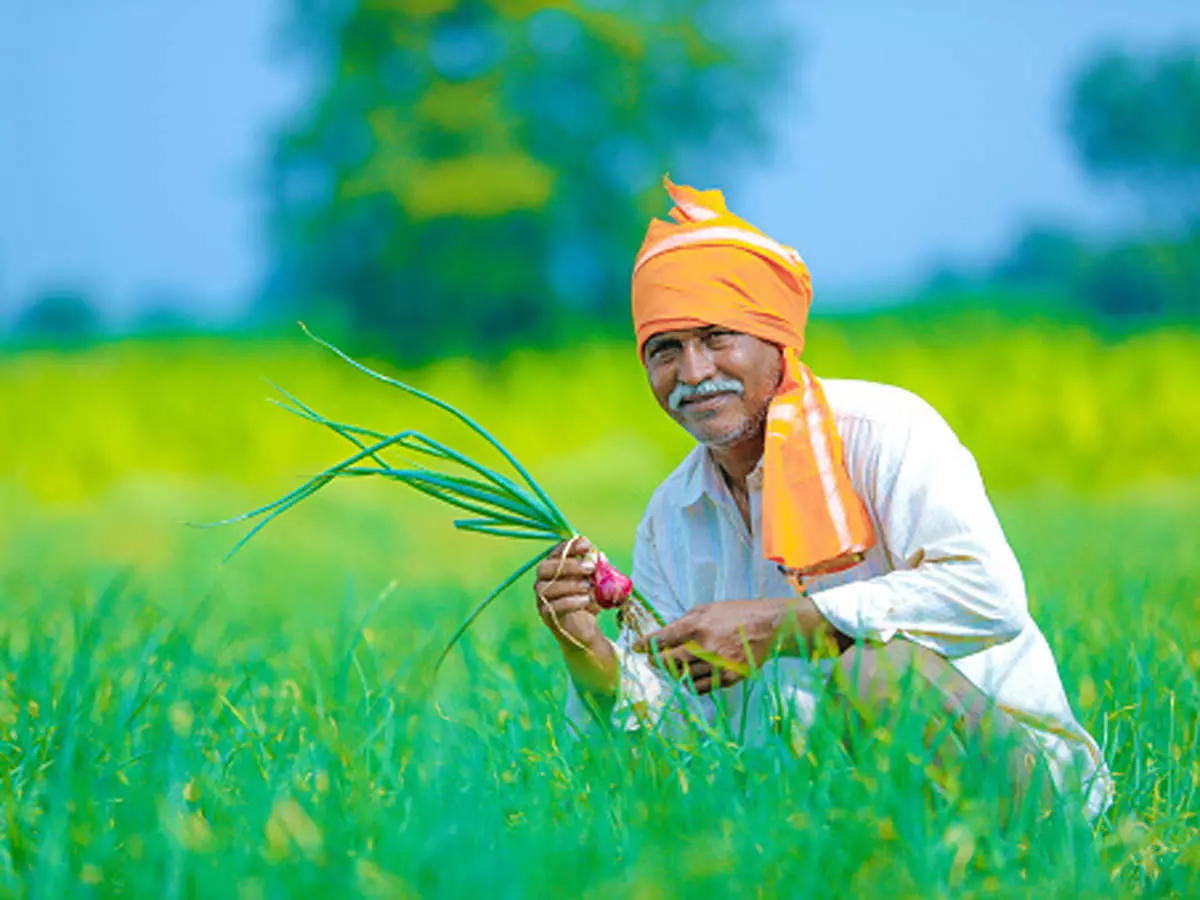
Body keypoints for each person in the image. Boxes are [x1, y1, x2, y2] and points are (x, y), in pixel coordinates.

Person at [532, 178, 1111, 820]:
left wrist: (782, 628)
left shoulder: (885, 432)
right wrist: (586, 650)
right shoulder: (673, 515)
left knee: (877, 676)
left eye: (718, 337)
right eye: (665, 350)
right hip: (822, 810)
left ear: (775, 339)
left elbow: (988, 596)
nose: (693, 374)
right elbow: (673, 729)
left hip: (1016, 789)